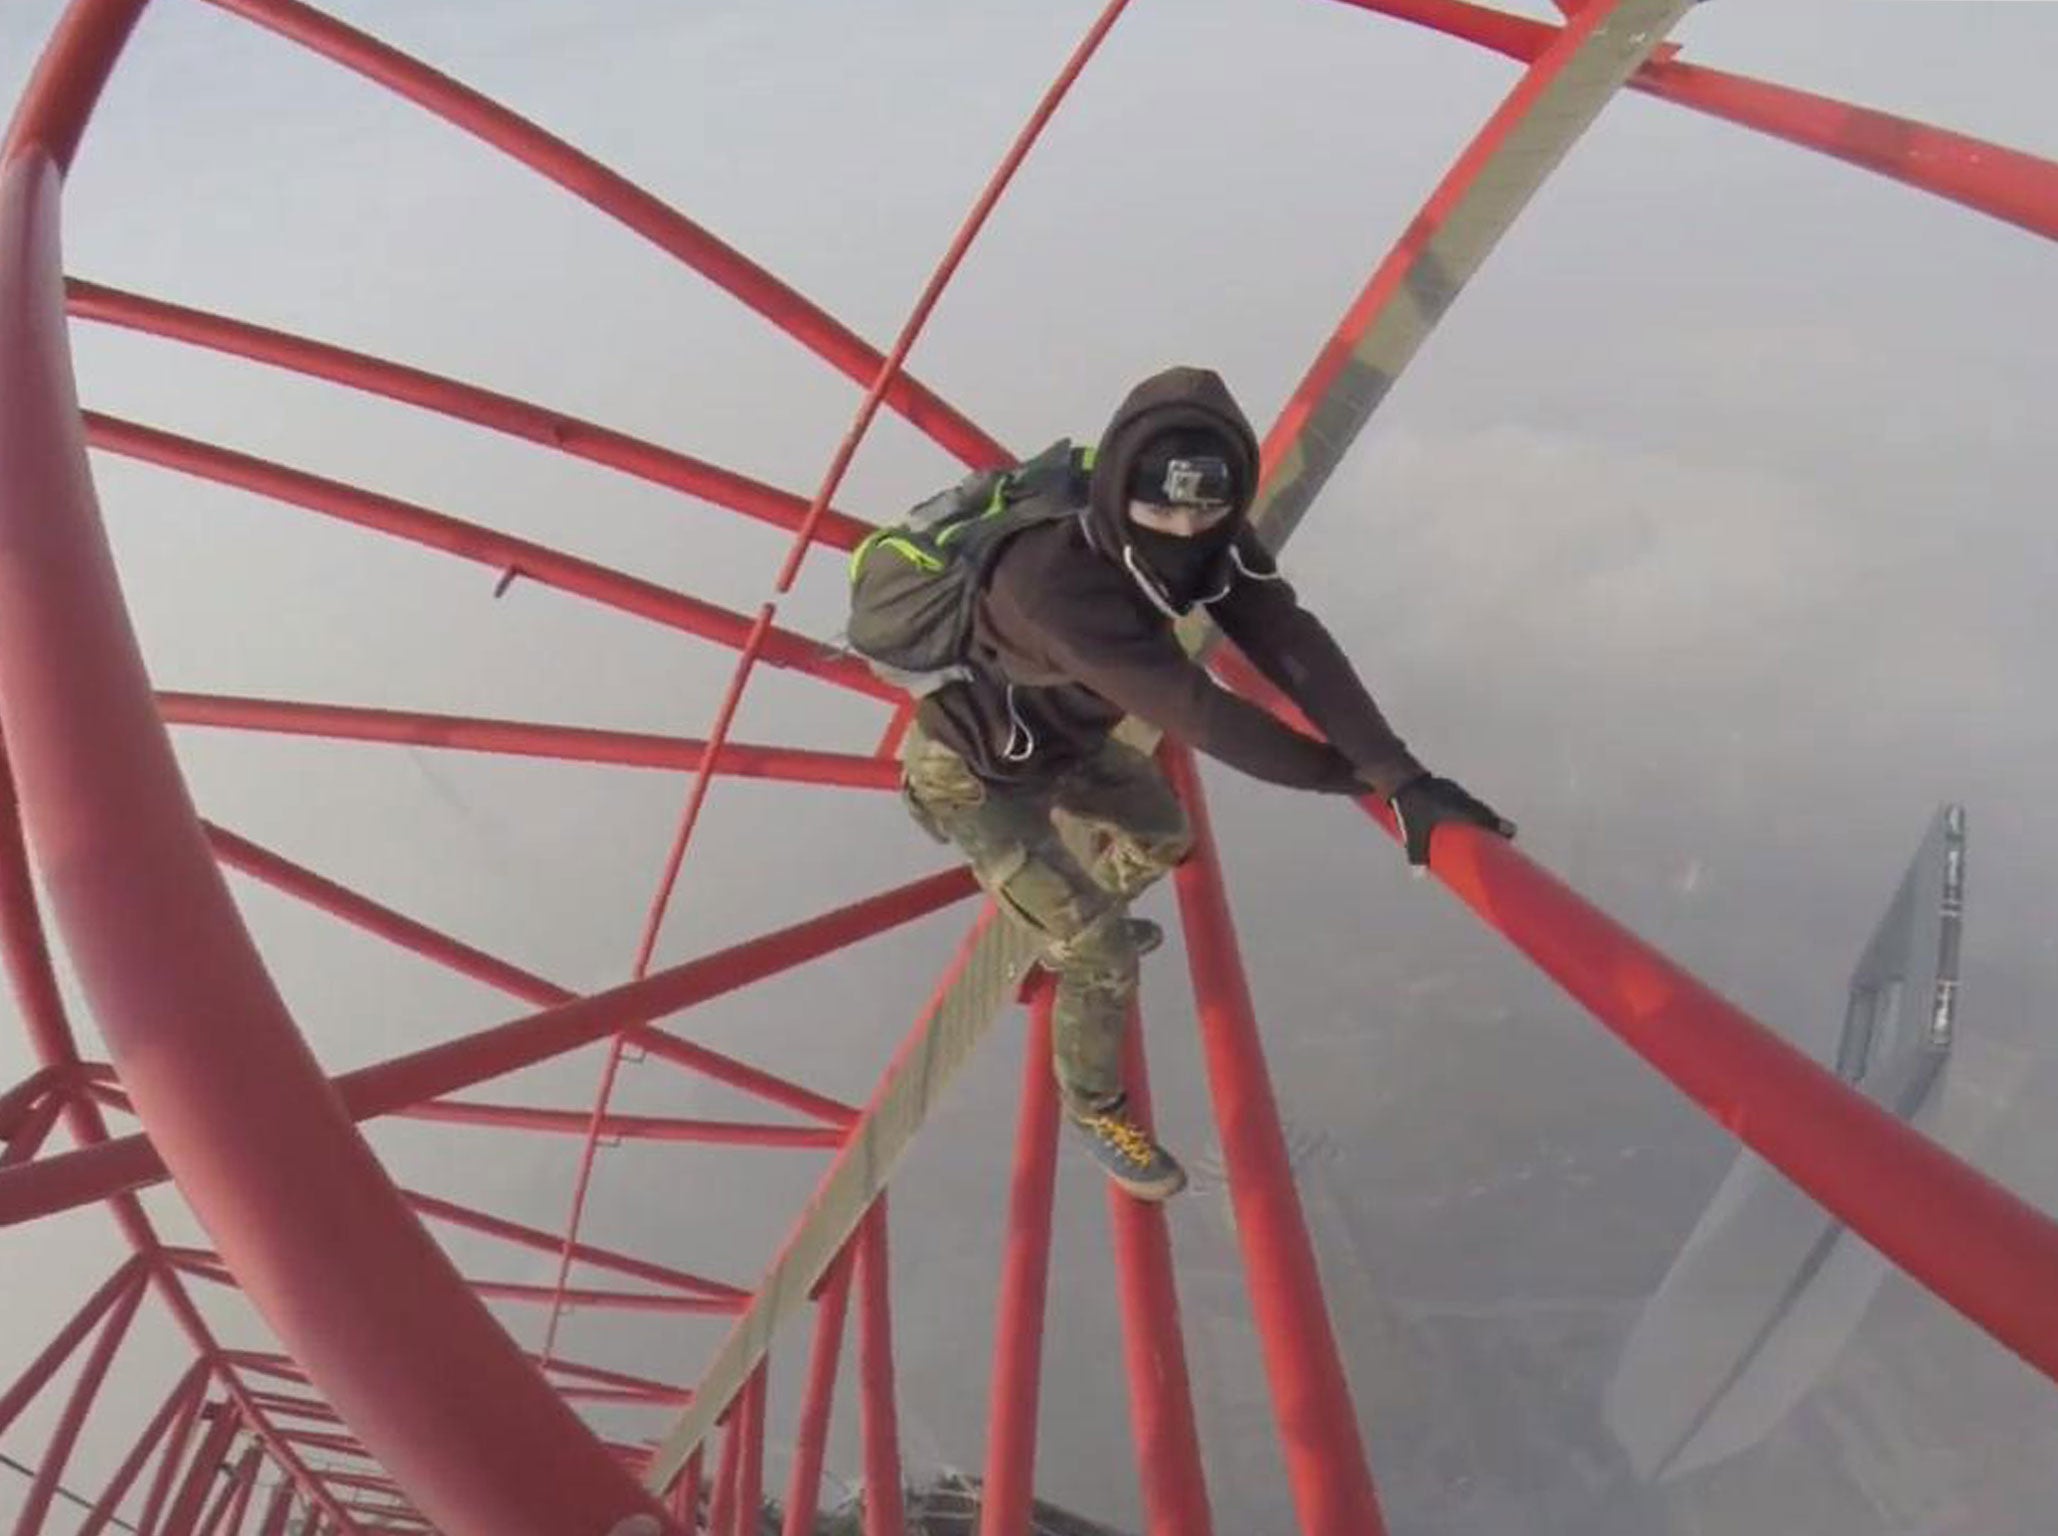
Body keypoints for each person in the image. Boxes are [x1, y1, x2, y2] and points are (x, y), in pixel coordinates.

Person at [895, 366, 1511, 1200]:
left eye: (1203, 509)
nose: (1182, 529)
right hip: (971, 771)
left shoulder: (1204, 537)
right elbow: (1201, 713)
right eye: (1161, 509)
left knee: (1164, 834)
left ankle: (1073, 922)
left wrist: (1399, 774)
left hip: (1062, 739)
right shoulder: (1049, 582)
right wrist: (1359, 784)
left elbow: (1285, 634)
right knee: (1101, 952)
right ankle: (1094, 1102)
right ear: (1120, 489)